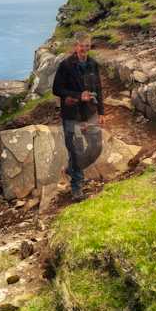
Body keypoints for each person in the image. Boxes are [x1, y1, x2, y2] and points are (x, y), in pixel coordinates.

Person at [51, 38, 103, 200]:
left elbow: (99, 88)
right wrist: (77, 95)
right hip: (71, 115)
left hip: (90, 113)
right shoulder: (65, 65)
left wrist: (101, 111)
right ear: (76, 46)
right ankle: (76, 187)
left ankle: (72, 169)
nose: (84, 49)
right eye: (82, 45)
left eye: (87, 46)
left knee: (96, 147)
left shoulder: (93, 64)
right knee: (76, 150)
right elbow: (56, 89)